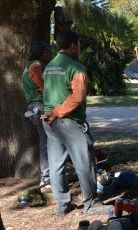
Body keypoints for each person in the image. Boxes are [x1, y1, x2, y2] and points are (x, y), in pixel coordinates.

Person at [41, 30, 104, 216]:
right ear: (73, 46)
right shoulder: (76, 68)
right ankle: (91, 204)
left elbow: (45, 90)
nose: (80, 49)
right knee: (85, 162)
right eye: (79, 46)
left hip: (49, 121)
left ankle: (62, 205)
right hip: (67, 121)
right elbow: (77, 97)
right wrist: (57, 112)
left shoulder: (49, 66)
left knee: (56, 163)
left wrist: (51, 112)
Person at [22, 40, 52, 191]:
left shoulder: (32, 65)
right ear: (41, 53)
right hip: (40, 107)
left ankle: (49, 176)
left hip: (35, 108)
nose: (50, 54)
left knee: (46, 142)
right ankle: (46, 179)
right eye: (47, 52)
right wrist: (45, 87)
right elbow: (42, 83)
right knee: (47, 143)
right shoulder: (35, 66)